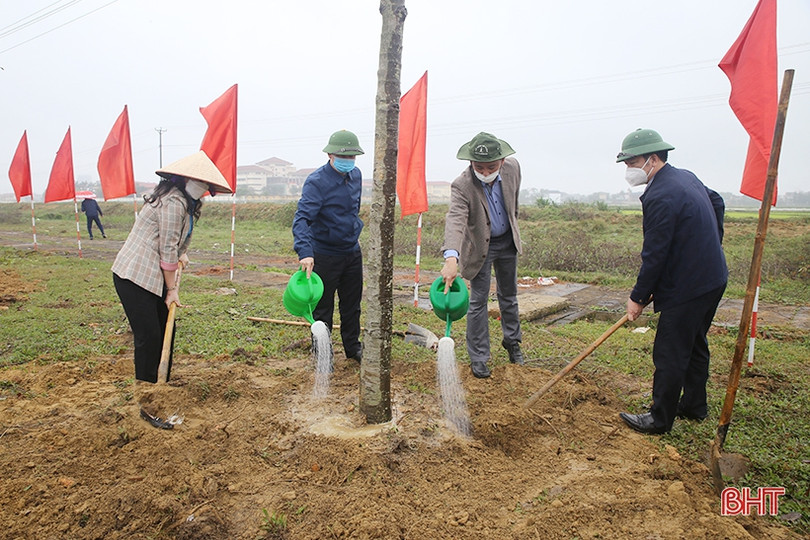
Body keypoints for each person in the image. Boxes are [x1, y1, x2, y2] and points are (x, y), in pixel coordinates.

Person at [615, 128, 728, 435]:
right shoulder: (684, 177)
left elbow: (655, 255)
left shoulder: (660, 195)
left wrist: (638, 297)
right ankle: (694, 406)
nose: (629, 170)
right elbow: (716, 202)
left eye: (631, 163)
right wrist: (711, 244)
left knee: (670, 350)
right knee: (694, 343)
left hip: (690, 285)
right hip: (714, 276)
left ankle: (659, 418)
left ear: (652, 159)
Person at [112, 151, 232, 428]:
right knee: (148, 337)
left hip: (153, 274)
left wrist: (182, 254)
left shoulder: (189, 204)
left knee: (168, 330)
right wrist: (172, 290)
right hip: (134, 276)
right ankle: (147, 401)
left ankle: (160, 383)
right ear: (184, 179)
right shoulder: (173, 202)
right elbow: (166, 249)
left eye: (206, 186)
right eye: (199, 183)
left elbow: (176, 242)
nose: (203, 189)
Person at [441, 132, 524, 379]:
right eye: (480, 167)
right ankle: (479, 356)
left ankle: (512, 342)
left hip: (507, 241)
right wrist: (451, 258)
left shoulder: (513, 169)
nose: (486, 173)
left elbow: (514, 201)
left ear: (502, 162)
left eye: (491, 167)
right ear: (470, 164)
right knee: (478, 302)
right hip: (479, 247)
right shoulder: (462, 185)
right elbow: (455, 220)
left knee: (509, 296)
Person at [292, 130, 365, 363]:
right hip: (324, 254)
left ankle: (353, 348)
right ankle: (323, 354)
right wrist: (305, 252)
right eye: (344, 157)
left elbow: (353, 210)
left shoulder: (357, 176)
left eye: (352, 157)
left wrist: (354, 232)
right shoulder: (317, 182)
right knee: (323, 309)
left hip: (352, 252)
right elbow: (302, 219)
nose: (348, 162)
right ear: (330, 155)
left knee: (352, 306)